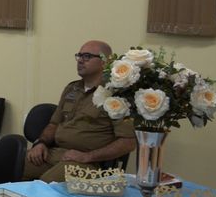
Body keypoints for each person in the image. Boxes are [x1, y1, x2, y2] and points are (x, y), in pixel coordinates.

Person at [24, 40, 136, 182]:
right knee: (9, 164)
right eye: (79, 56)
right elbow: (54, 124)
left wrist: (87, 157)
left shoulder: (116, 95)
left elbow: (128, 142)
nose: (80, 60)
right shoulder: (72, 89)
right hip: (56, 153)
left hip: (88, 163)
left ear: (105, 62)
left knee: (45, 185)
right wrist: (41, 143)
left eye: (87, 56)